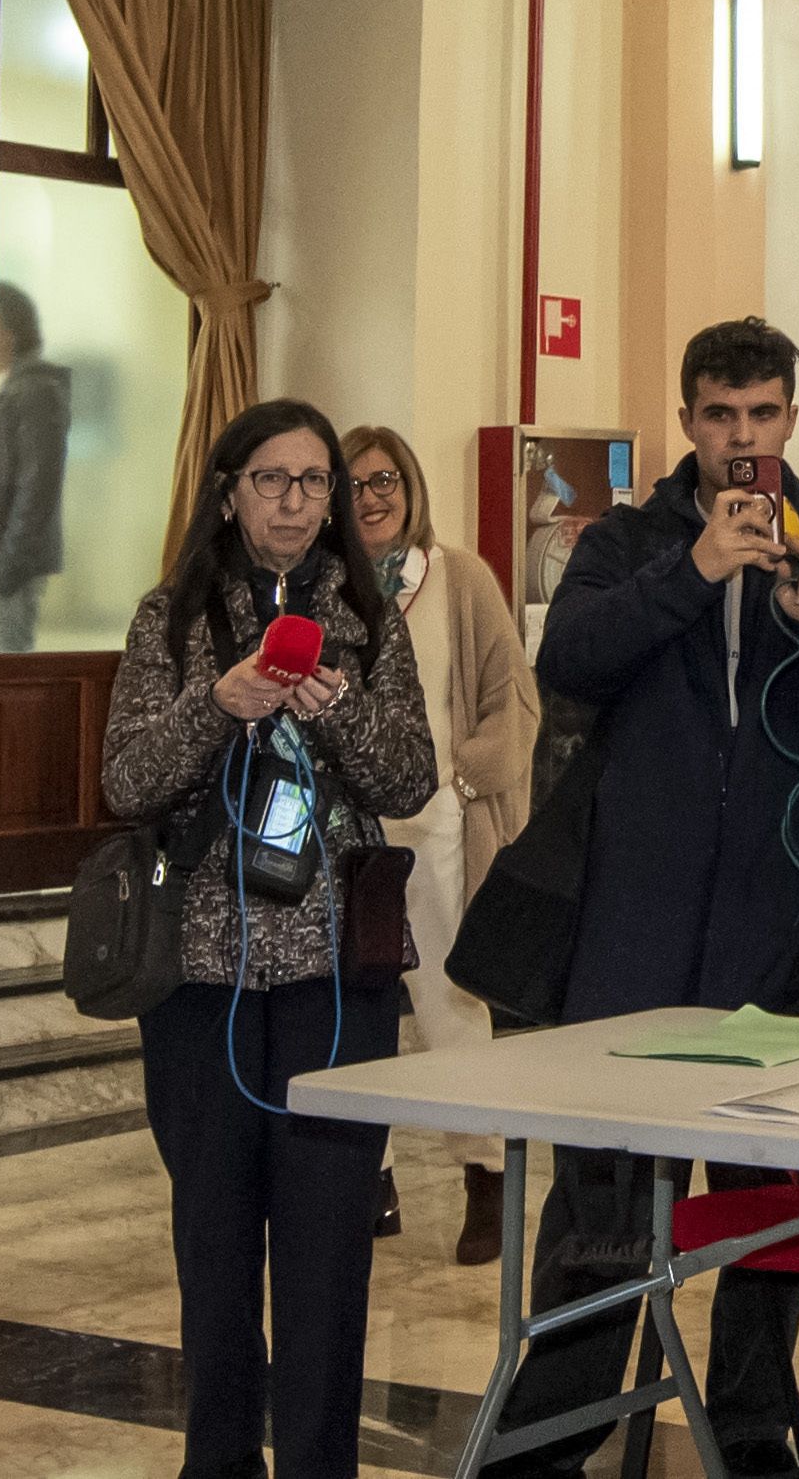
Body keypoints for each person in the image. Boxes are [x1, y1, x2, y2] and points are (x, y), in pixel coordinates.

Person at [492, 318, 799, 1478]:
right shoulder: (632, 538)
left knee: (764, 1209)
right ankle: (553, 1427)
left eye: (761, 414)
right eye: (718, 416)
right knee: (601, 1207)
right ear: (687, 418)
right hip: (634, 931)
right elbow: (572, 656)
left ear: (791, 417)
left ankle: (747, 1426)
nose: (741, 440)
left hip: (774, 934)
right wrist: (694, 571)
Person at [101, 399, 436, 1479]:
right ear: (229, 490)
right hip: (200, 986)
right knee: (214, 1249)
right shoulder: (171, 618)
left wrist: (333, 707)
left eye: (315, 482)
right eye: (273, 479)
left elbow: (410, 776)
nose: (296, 501)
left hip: (336, 984)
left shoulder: (370, 618)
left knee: (328, 1258)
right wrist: (221, 701)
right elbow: (127, 778)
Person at [342, 423, 539, 1265]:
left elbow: (514, 701)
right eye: (352, 486)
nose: (372, 498)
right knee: (354, 1009)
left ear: (410, 486)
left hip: (441, 829)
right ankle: (369, 1178)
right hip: (350, 836)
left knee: (453, 1007)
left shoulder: (459, 579)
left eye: (385, 479)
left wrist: (460, 780)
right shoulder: (330, 589)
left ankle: (485, 1179)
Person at [0, 281, 69, 653]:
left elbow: (37, 489)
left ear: (10, 331)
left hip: (5, 565)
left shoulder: (34, 390)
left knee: (1, 669)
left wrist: (6, 570)